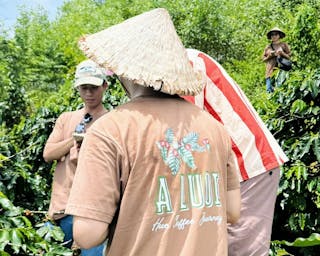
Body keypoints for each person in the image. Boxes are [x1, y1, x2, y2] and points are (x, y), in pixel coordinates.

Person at [65, 8, 240, 256]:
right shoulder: (214, 128)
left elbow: (86, 234)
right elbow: (232, 211)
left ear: (124, 71)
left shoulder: (110, 130)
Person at [183, 48, 289, 256]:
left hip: (248, 166)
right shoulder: (186, 60)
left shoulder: (186, 65)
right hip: (231, 169)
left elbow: (183, 130)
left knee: (240, 249)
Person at [43, 59, 110, 255]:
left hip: (94, 210)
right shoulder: (66, 118)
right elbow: (48, 154)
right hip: (64, 207)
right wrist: (73, 140)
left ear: (104, 86)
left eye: (93, 88)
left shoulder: (111, 121)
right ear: (78, 88)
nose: (88, 93)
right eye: (84, 88)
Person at [262, 27, 291, 93]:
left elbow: (289, 57)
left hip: (281, 72)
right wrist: (270, 56)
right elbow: (263, 60)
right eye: (272, 34)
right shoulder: (268, 47)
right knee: (269, 91)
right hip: (270, 72)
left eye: (276, 34)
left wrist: (282, 53)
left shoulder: (284, 45)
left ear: (279, 35)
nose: (274, 36)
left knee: (280, 91)